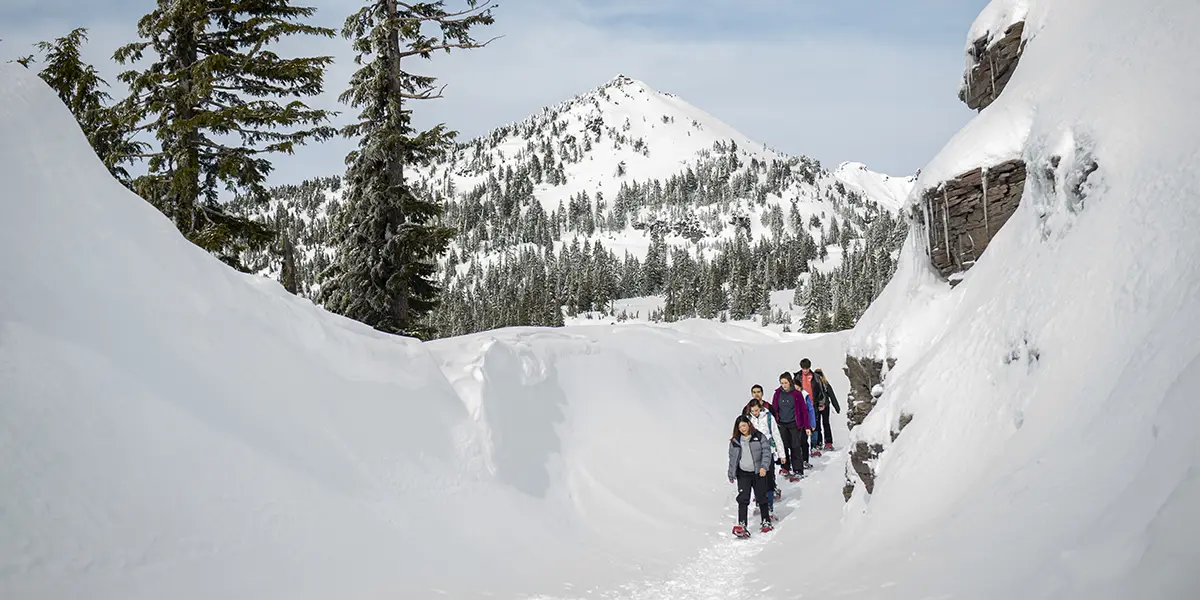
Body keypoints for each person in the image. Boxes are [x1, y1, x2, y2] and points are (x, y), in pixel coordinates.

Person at [727, 415, 774, 536]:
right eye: (740, 427)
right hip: (743, 474)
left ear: (749, 424)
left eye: (744, 425)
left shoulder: (759, 437)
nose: (742, 428)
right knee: (743, 498)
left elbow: (766, 452)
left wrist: (764, 467)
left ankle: (766, 521)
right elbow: (732, 458)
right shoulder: (735, 441)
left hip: (758, 472)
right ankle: (742, 524)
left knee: (761, 497)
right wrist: (731, 473)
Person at [743, 396, 784, 519]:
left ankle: (770, 505)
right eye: (753, 410)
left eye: (756, 410)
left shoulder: (768, 417)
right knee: (757, 479)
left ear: (760, 409)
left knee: (769, 478)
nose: (755, 413)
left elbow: (776, 435)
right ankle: (759, 503)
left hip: (768, 451)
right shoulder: (748, 420)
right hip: (754, 453)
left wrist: (782, 454)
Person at [771, 373, 811, 480]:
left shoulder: (796, 394)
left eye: (785, 383)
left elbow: (804, 411)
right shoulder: (777, 394)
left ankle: (798, 470)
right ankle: (785, 467)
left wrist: (807, 427)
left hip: (794, 424)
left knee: (795, 447)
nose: (784, 385)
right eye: (782, 383)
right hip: (782, 424)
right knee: (783, 446)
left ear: (790, 382)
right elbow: (774, 409)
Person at [813, 367, 840, 450]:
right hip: (826, 406)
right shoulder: (826, 384)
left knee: (817, 425)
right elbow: (832, 396)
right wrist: (837, 407)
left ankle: (818, 442)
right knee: (826, 423)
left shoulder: (814, 384)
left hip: (816, 407)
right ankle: (828, 442)